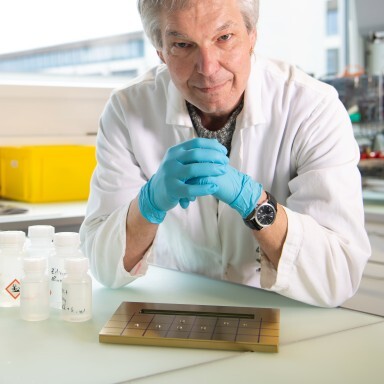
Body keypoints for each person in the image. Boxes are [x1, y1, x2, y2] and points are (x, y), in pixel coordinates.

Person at [79, 0, 371, 307]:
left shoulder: (313, 108)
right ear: (161, 53)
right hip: (174, 314)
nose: (208, 67)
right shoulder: (128, 110)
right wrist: (148, 203)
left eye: (224, 38)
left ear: (252, 36)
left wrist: (256, 205)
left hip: (279, 318)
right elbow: (102, 266)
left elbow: (337, 276)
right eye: (182, 44)